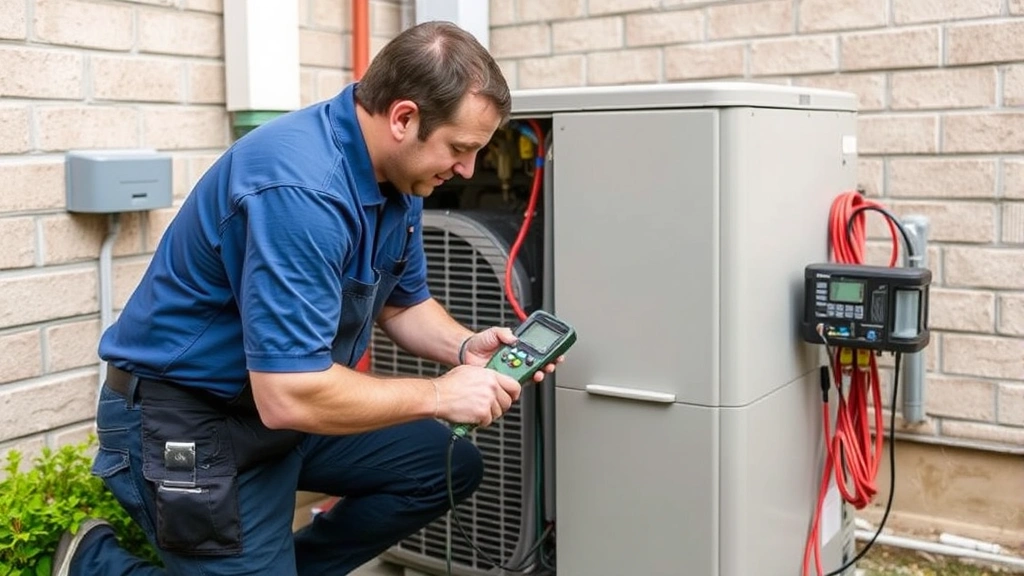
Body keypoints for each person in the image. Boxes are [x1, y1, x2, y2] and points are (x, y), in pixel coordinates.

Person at [51, 20, 561, 576]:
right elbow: (290, 395)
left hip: (279, 409)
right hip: (189, 419)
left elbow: (402, 303)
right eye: (460, 149)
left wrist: (465, 349)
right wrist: (440, 395)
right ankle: (95, 564)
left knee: (443, 466)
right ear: (404, 118)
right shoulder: (303, 194)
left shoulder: (401, 178)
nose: (466, 169)